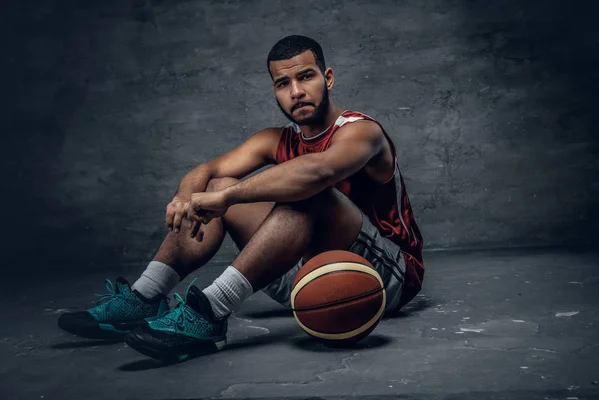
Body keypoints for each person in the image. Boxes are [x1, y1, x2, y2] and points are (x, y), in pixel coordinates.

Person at [58, 35, 425, 362]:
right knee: (215, 186)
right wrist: (185, 197)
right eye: (283, 83)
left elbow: (319, 172)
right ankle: (144, 297)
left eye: (306, 77)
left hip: (381, 276)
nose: (296, 92)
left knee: (308, 191)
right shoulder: (276, 139)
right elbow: (206, 170)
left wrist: (231, 197)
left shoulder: (362, 131)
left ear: (327, 78)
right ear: (275, 91)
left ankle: (210, 313)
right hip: (306, 272)